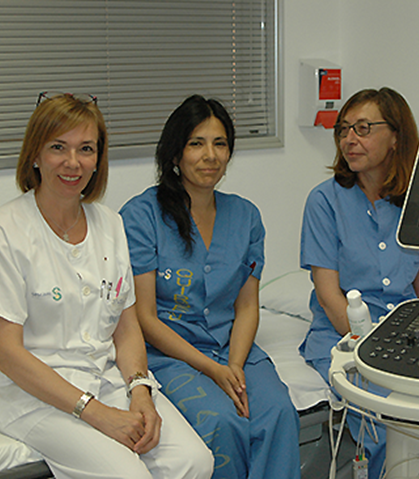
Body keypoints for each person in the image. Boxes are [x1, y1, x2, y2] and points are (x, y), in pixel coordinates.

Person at [0, 92, 213, 479]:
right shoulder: (6, 230)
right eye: (58, 148)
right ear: (35, 154)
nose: (73, 162)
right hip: (31, 394)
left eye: (86, 149)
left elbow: (127, 325)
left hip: (104, 378)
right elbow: (8, 356)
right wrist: (95, 412)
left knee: (195, 462)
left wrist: (140, 390)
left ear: (98, 159)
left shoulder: (109, 224)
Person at [119, 94, 301, 479]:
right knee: (223, 422)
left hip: (232, 348)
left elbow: (247, 306)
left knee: (279, 413)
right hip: (169, 354)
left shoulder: (246, 216)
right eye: (196, 143)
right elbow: (144, 318)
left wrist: (233, 365)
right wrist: (212, 370)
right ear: (175, 153)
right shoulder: (141, 216)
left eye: (220, 144)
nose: (210, 155)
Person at [299, 87, 419, 479]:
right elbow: (329, 297)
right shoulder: (324, 202)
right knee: (387, 422)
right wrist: (375, 354)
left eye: (363, 128)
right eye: (344, 129)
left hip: (405, 335)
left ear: (396, 136)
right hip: (341, 337)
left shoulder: (418, 201)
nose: (350, 139)